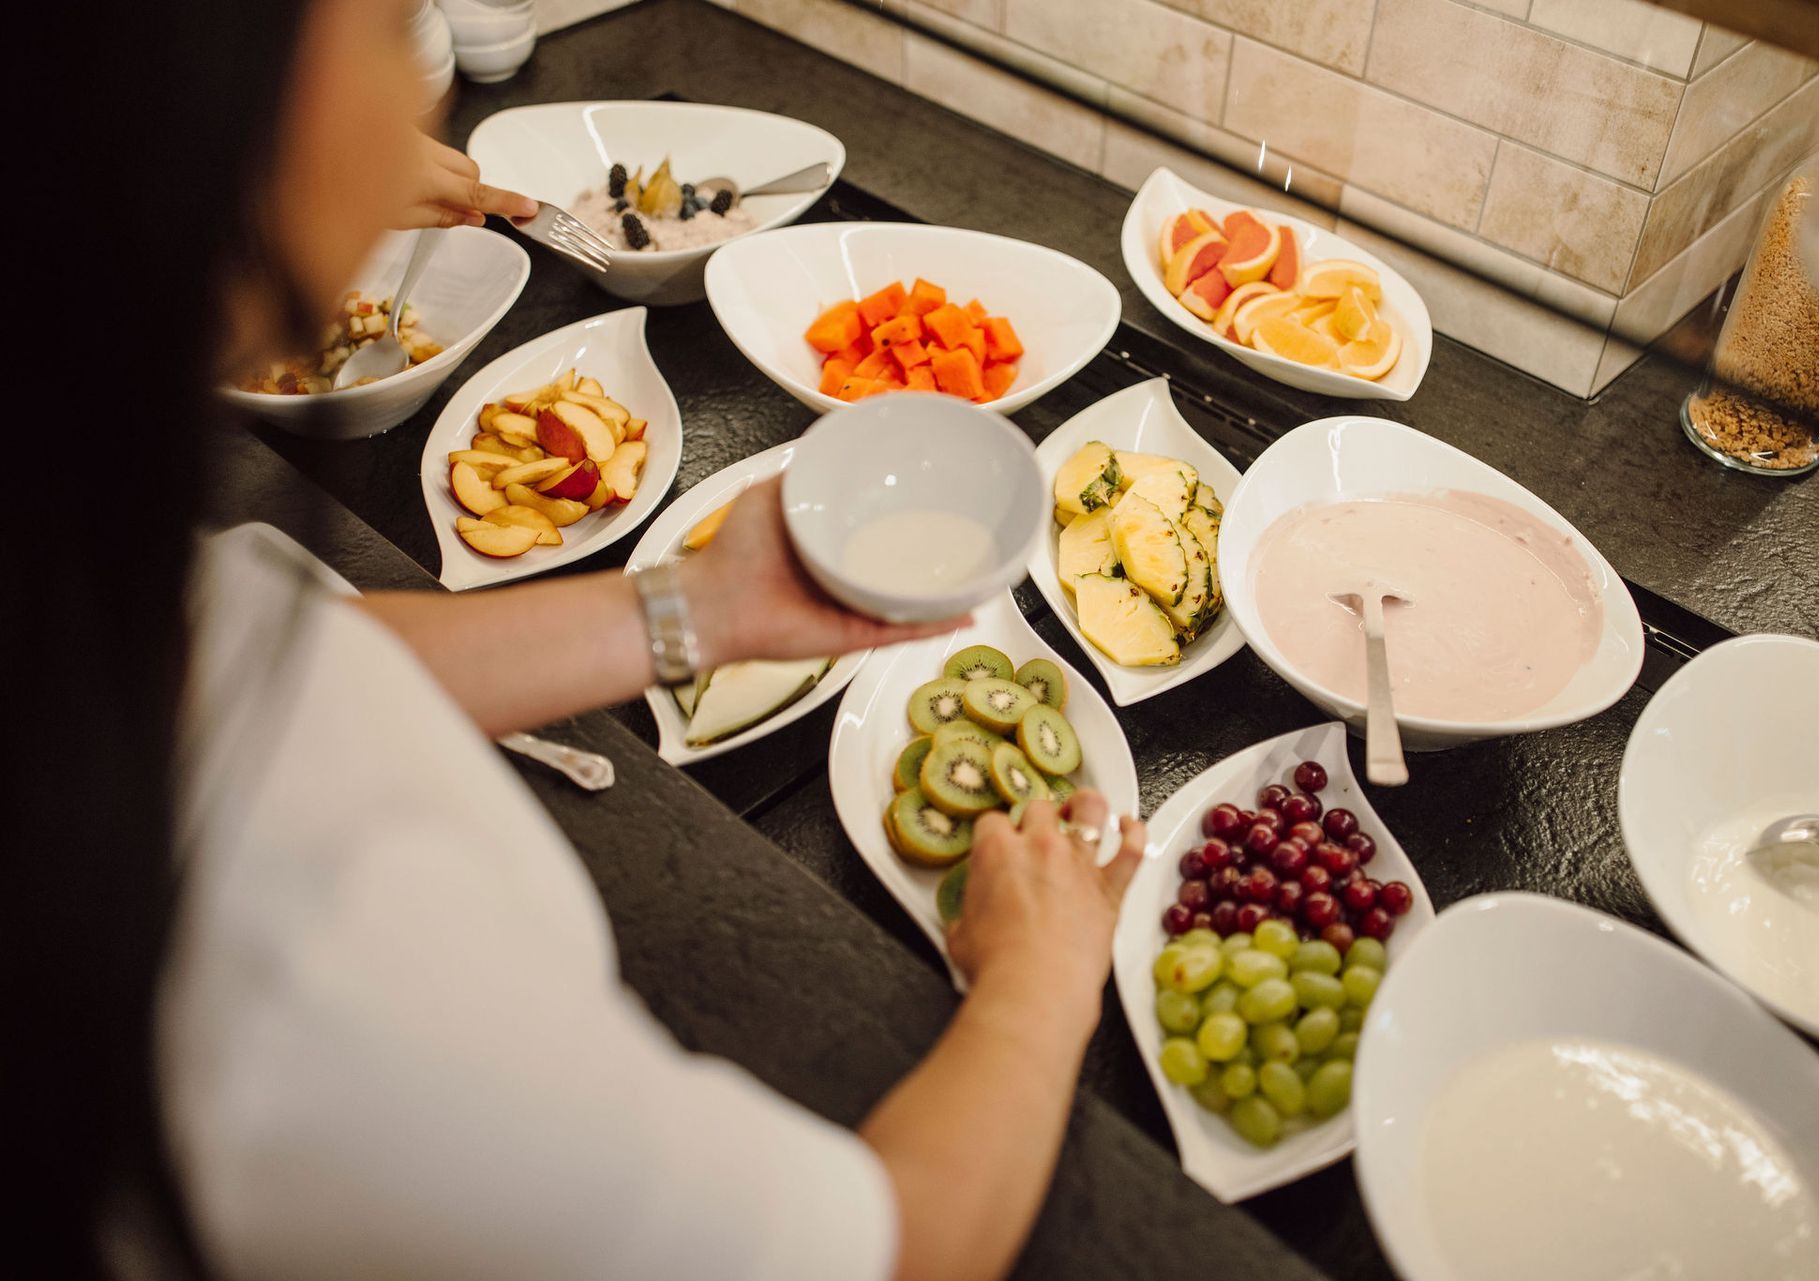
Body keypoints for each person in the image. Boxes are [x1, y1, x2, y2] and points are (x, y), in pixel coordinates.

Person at [14, 1, 1143, 1279]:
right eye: (393, 26)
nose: (424, 103)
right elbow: (899, 1243)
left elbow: (260, 664)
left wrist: (688, 611)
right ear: (210, 118)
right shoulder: (324, 949)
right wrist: (1044, 983)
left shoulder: (69, 580)